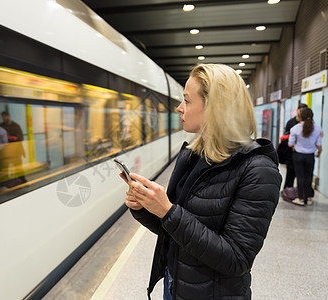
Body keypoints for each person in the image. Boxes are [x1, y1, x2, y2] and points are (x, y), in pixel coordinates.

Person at [119, 64, 282, 300]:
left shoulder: (258, 171)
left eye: (187, 100)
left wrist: (168, 211)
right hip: (176, 286)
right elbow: (173, 231)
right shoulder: (195, 155)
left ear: (215, 107)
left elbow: (237, 259)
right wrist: (145, 207)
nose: (179, 108)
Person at [288, 108, 322, 206]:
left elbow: (290, 144)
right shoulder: (318, 128)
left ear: (301, 116)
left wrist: (296, 145)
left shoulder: (295, 128)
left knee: (300, 177)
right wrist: (319, 153)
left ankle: (300, 199)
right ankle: (309, 197)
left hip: (298, 155)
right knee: (309, 176)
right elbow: (319, 145)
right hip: (310, 156)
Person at [281, 103, 308, 188]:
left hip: (303, 153)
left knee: (302, 175)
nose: (301, 112)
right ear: (297, 110)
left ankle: (301, 194)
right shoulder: (291, 122)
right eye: (300, 110)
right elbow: (286, 137)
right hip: (291, 152)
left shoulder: (308, 124)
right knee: (290, 173)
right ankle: (287, 191)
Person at [0, 111, 27, 184]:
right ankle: (6, 181)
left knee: (18, 165)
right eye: (3, 117)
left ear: (9, 116)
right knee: (6, 167)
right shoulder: (1, 126)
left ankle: (22, 179)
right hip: (6, 150)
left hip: (16, 150)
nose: (4, 118)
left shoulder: (15, 126)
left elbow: (21, 137)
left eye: (5, 116)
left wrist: (13, 138)